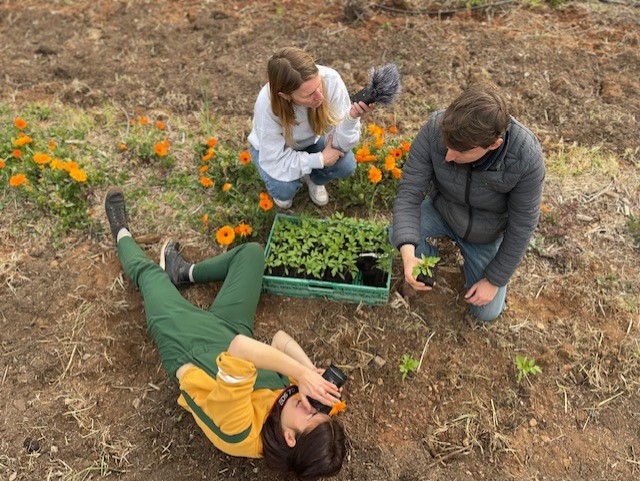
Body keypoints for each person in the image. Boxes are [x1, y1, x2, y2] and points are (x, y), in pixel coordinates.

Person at [104, 187, 346, 480]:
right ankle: (184, 272)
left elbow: (241, 348)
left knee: (149, 276)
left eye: (311, 413)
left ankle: (121, 232)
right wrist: (310, 372)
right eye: (320, 409)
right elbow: (280, 339)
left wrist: (301, 374)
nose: (310, 403)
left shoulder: (239, 429)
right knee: (251, 254)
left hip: (189, 346)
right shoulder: (293, 410)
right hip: (228, 334)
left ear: (291, 438)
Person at [392, 84, 545, 322]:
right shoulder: (435, 128)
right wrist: (409, 254)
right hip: (442, 209)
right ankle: (426, 261)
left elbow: (522, 225)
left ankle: (472, 261)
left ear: (493, 144)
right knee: (398, 234)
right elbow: (409, 192)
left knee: (486, 311)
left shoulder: (525, 157)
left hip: (486, 230)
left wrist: (494, 279)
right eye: (447, 146)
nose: (448, 157)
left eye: (460, 152)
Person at [248, 46, 372, 208]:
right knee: (284, 191)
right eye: (308, 95)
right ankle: (300, 175)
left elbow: (342, 145)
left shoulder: (331, 80)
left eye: (318, 86)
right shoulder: (267, 105)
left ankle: (314, 179)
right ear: (285, 96)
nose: (320, 97)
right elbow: (275, 159)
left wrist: (351, 119)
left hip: (309, 142)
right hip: (273, 153)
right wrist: (319, 159)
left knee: (346, 165)